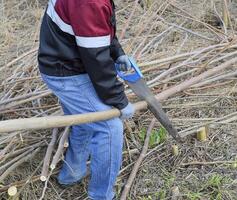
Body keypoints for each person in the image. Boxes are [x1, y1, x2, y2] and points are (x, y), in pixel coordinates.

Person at [38, 0, 134, 199]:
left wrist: (117, 53)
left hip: (66, 60)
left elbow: (96, 30)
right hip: (66, 70)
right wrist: (119, 100)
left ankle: (72, 172)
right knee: (109, 127)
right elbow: (96, 59)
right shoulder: (89, 2)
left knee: (82, 120)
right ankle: (101, 196)